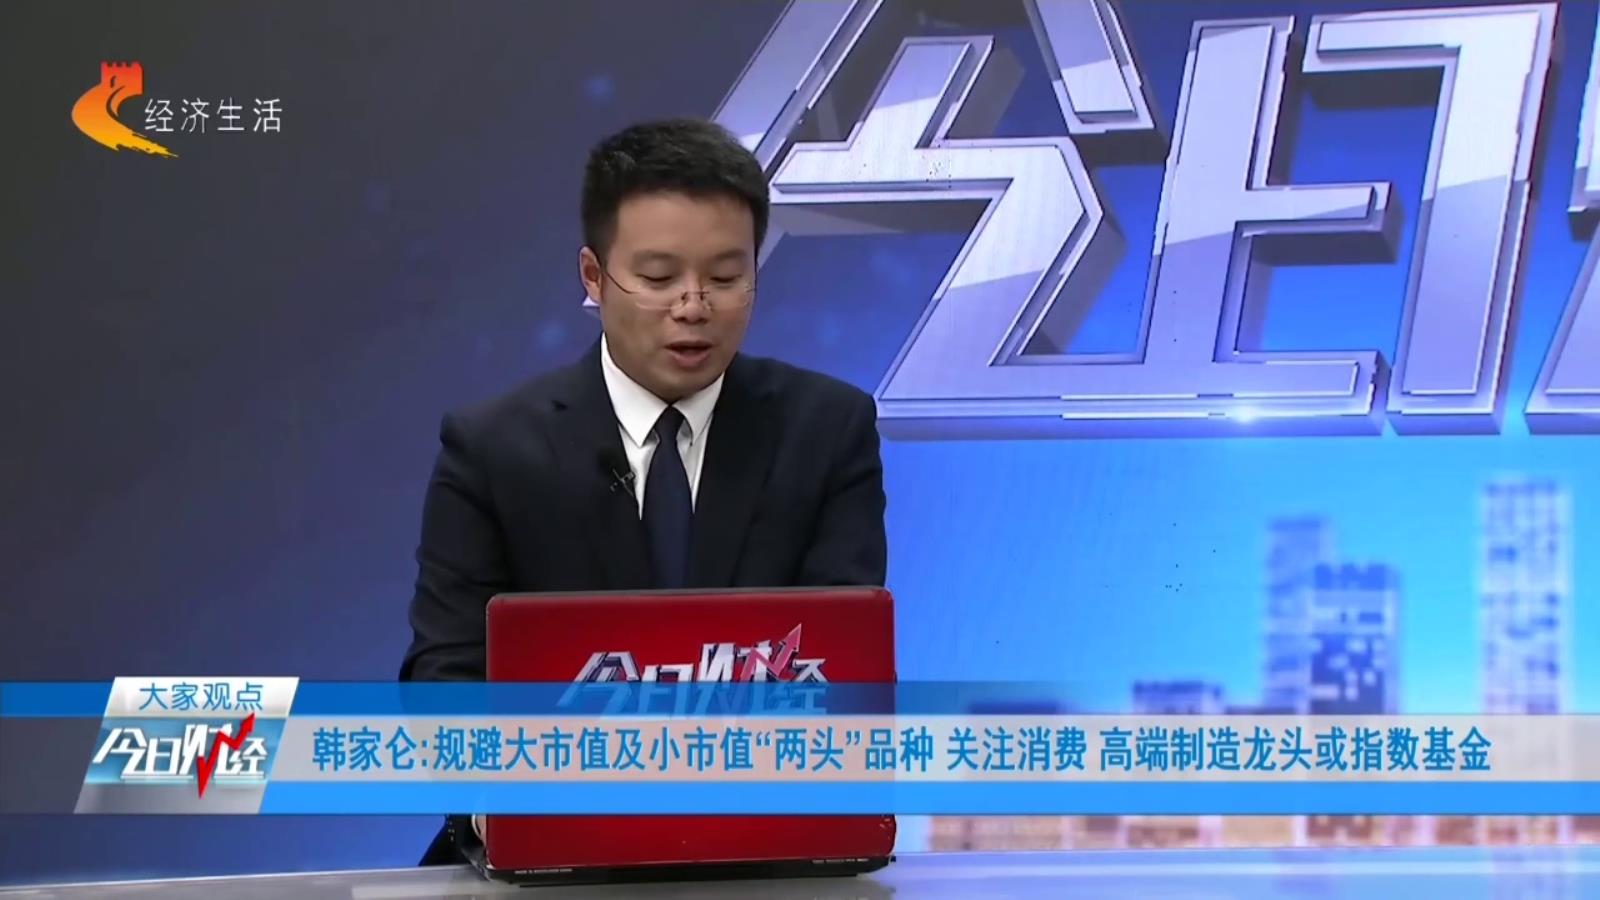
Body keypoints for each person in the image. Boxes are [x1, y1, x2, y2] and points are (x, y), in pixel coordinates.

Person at [400, 118, 888, 864]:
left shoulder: (827, 429)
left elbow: (841, 674)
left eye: (725, 277)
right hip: (545, 845)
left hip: (763, 845)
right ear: (593, 277)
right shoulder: (494, 448)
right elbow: (445, 677)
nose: (693, 306)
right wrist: (499, 805)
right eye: (658, 278)